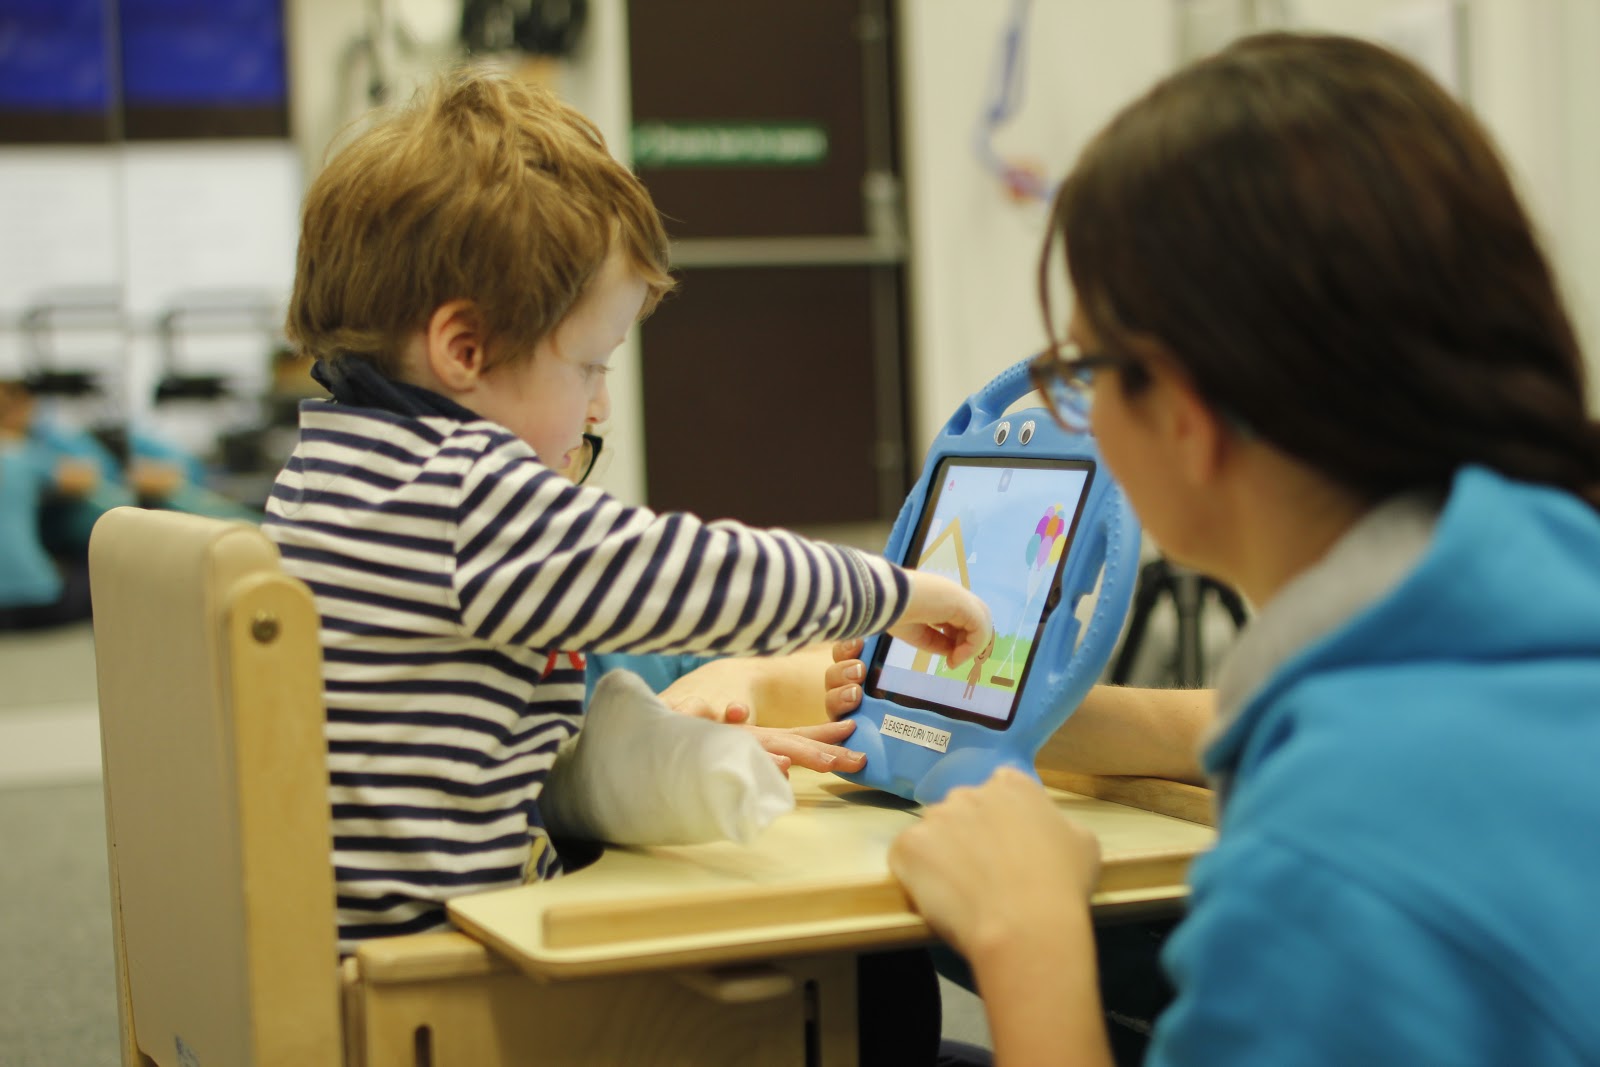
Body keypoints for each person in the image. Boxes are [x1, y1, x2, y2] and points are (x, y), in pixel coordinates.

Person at [881, 31, 1600, 1067]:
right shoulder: (1523, 600)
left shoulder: (1334, 853)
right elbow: (1243, 717)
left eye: (1084, 364)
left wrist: (1024, 934)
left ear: (1182, 411)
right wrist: (1013, 714)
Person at [261, 68, 991, 955]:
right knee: (843, 967)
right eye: (591, 366)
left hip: (351, 943)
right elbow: (694, 573)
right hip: (447, 962)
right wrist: (900, 591)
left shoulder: (330, 466)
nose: (599, 408)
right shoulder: (459, 490)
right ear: (464, 348)